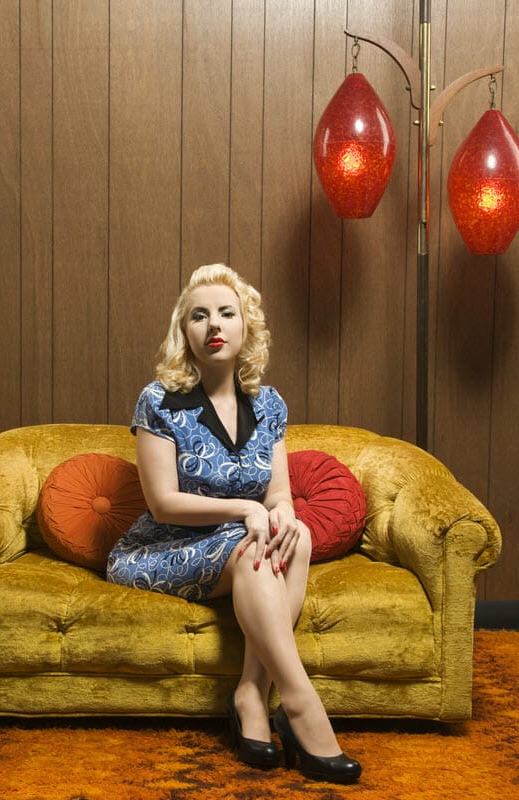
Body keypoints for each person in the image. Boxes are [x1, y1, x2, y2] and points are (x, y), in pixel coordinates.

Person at [106, 263, 361, 784]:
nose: (213, 325)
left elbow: (279, 491)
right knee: (254, 547)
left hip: (242, 539)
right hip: (166, 546)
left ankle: (250, 693)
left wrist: (282, 511)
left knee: (298, 534)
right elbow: (162, 504)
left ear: (246, 327)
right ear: (186, 332)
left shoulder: (269, 406)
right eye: (199, 316)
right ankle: (300, 704)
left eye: (226, 312)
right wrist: (246, 511)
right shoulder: (158, 400)